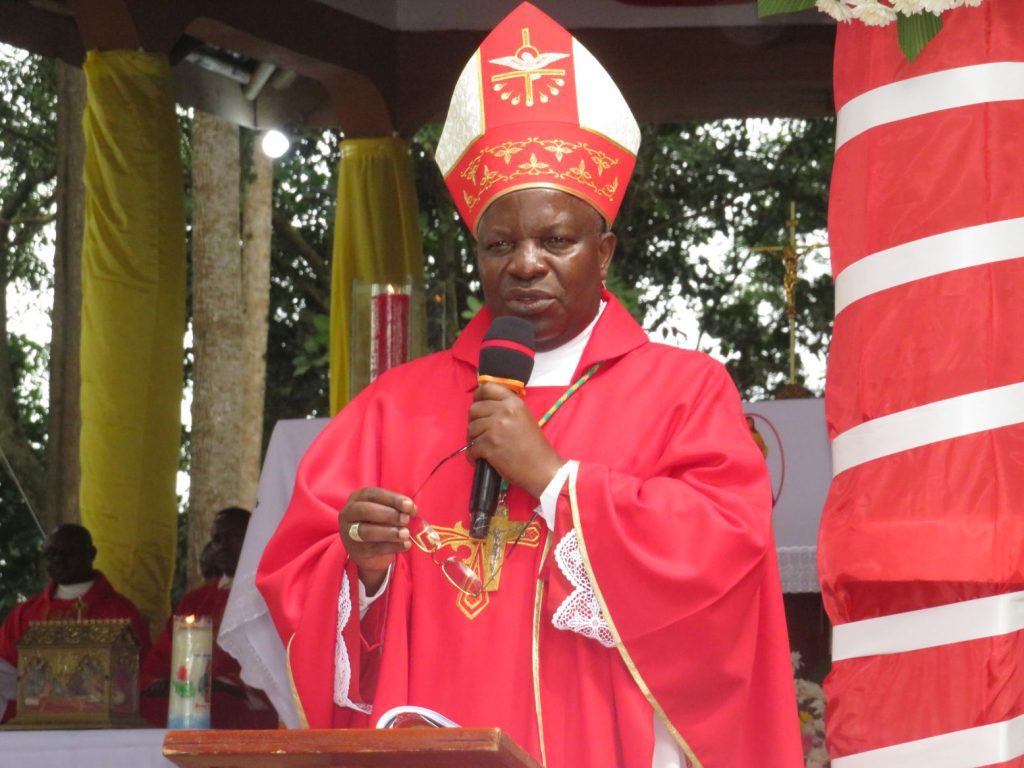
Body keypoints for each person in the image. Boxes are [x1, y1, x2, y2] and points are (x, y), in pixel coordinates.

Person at [257, 4, 802, 766]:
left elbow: (722, 559)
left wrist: (551, 479)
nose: (525, 264)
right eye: (500, 243)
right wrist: (364, 574)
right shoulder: (392, 407)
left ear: (604, 251)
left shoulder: (683, 391)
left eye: (556, 240)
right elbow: (298, 581)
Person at [140, 507, 277, 728]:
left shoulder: (271, 595)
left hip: (243, 700)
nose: (221, 545)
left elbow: (275, 665)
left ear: (253, 537)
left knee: (220, 704)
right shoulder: (195, 600)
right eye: (216, 539)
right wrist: (160, 682)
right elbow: (161, 659)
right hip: (190, 698)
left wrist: (227, 684)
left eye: (231, 536)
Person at [0, 523, 150, 722]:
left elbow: (142, 674)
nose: (58, 560)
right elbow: (5, 668)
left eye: (68, 552)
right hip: (35, 729)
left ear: (92, 553)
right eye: (52, 554)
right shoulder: (25, 614)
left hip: (103, 730)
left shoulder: (120, 611)